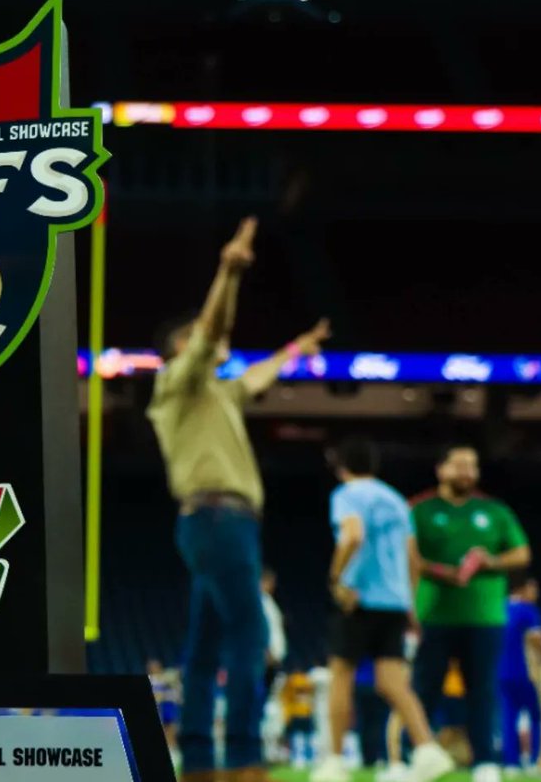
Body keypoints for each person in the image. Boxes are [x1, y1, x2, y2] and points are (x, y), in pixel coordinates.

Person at [147, 216, 330, 782]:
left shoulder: (218, 393)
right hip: (219, 518)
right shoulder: (179, 380)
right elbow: (210, 332)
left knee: (204, 647)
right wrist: (229, 272)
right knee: (249, 634)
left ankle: (199, 760)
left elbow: (258, 377)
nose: (219, 343)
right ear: (181, 347)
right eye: (201, 339)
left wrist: (300, 347)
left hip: (220, 522)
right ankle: (246, 756)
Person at [312, 438, 454, 782]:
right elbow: (413, 558)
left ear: (341, 468)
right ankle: (427, 750)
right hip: (395, 601)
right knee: (393, 682)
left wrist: (336, 578)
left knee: (341, 676)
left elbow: (353, 536)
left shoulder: (347, 495)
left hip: (360, 598)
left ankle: (333, 763)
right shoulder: (395, 500)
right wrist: (410, 602)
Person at [411, 445, 530, 782]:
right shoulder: (420, 510)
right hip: (433, 616)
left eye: (472, 466)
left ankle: (485, 764)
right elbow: (407, 557)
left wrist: (491, 561)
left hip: (485, 618)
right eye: (459, 465)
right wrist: (440, 571)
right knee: (424, 690)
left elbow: (522, 553)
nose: (467, 472)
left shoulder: (494, 511)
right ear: (441, 469)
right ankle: (416, 758)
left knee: (482, 691)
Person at [499, 572, 541, 770]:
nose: (536, 594)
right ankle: (535, 760)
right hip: (527, 673)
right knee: (536, 716)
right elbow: (536, 639)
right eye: (534, 589)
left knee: (508, 716)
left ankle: (511, 762)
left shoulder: (499, 608)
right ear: (522, 588)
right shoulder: (529, 611)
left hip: (501, 673)